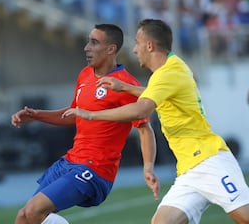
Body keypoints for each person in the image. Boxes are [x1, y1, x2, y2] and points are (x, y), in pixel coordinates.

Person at [63, 19, 249, 224]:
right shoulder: (173, 67)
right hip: (189, 170)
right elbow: (158, 94)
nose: (134, 49)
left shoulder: (166, 74)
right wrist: (124, 87)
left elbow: (141, 109)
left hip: (208, 161)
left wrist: (91, 115)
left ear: (149, 45)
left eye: (137, 42)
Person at [11, 24, 159, 224]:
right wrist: (37, 115)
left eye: (94, 42)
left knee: (34, 210)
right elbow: (74, 114)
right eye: (88, 41)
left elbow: (144, 128)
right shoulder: (85, 75)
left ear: (111, 49)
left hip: (95, 170)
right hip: (70, 161)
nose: (86, 47)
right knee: (25, 216)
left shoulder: (125, 84)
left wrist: (148, 167)